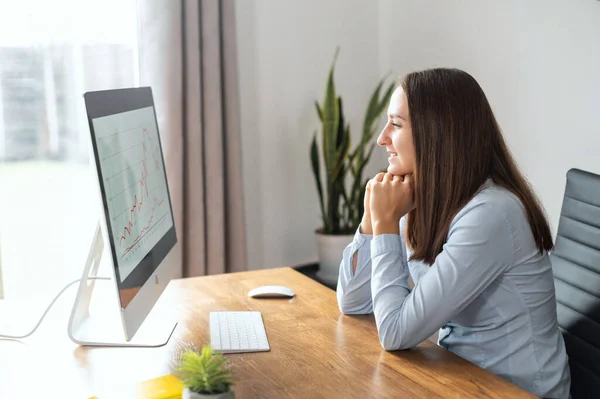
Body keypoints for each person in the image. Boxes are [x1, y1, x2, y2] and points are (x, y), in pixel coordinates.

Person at [336, 68, 571, 398]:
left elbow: (394, 332)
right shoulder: (421, 197)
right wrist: (370, 220)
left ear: (437, 135)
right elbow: (352, 301)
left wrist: (386, 222)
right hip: (458, 379)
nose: (382, 138)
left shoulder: (492, 214)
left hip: (515, 392)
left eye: (397, 124)